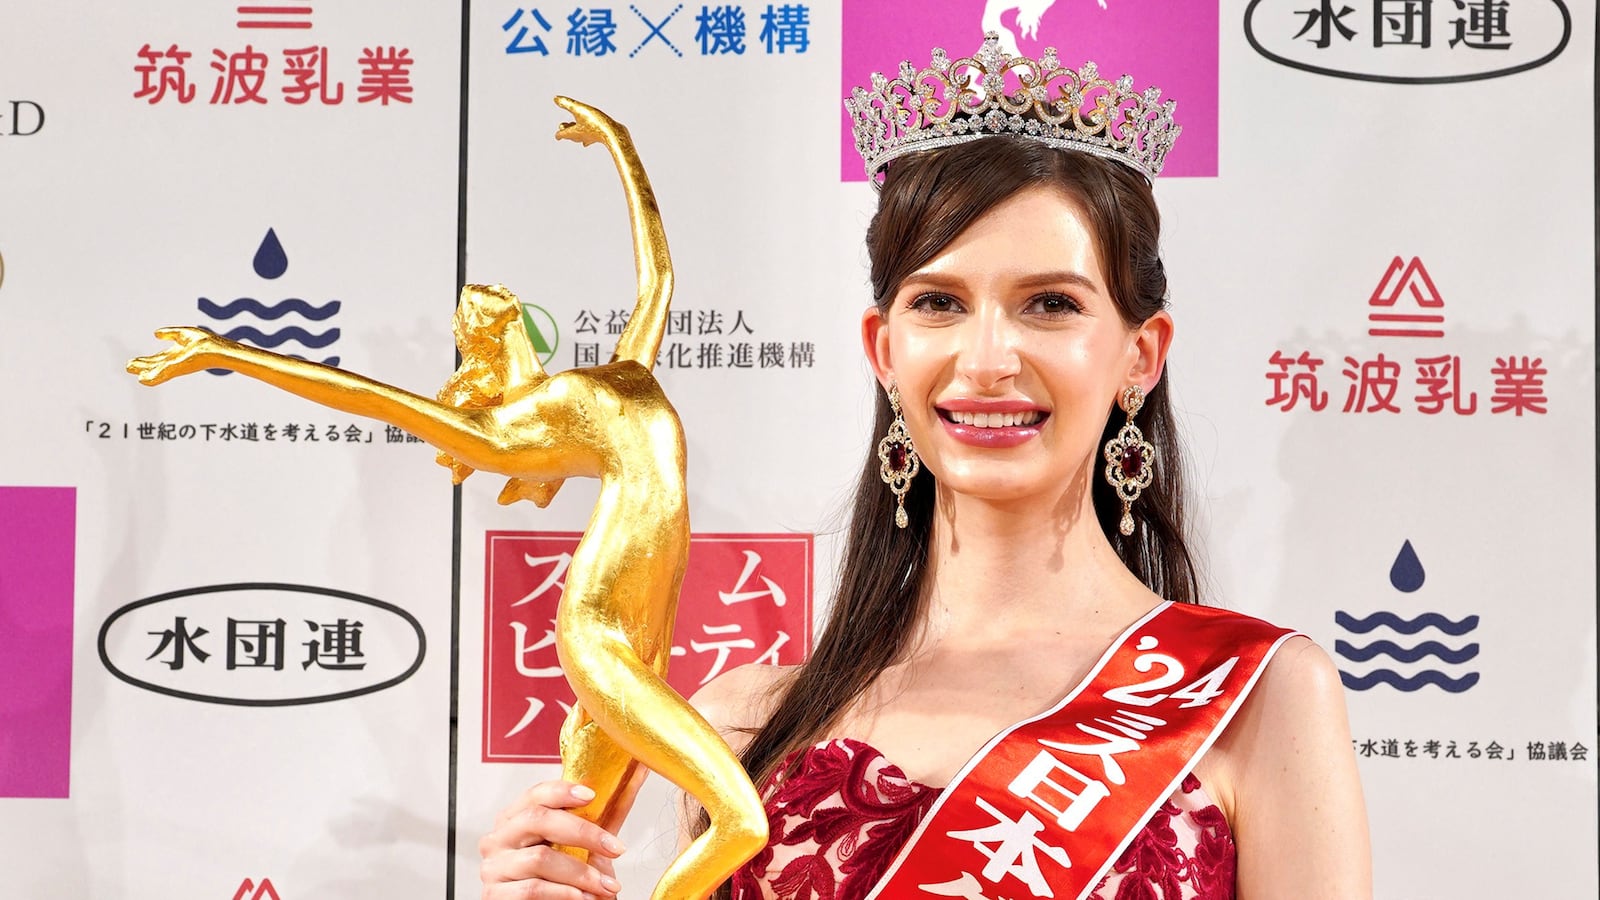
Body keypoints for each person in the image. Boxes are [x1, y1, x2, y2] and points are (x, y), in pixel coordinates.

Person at [478, 34, 1371, 900]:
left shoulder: (1253, 695)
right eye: (939, 303)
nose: (987, 359)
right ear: (884, 348)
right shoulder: (742, 724)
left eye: (1050, 304)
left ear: (1141, 355)